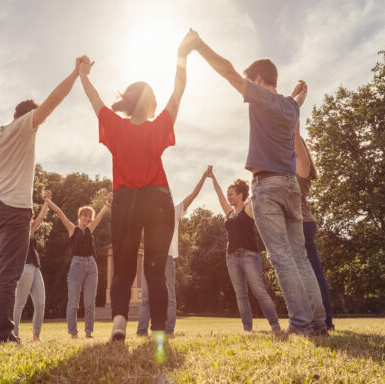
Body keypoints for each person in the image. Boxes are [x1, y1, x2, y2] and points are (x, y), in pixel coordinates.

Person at [189, 30, 327, 335]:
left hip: (267, 186)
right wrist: (300, 90)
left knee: (281, 258)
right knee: (300, 257)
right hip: (291, 186)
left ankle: (302, 324)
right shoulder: (291, 106)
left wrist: (199, 45)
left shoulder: (261, 96)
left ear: (261, 81)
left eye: (251, 81)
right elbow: (298, 97)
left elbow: (227, 70)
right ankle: (318, 322)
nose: (247, 86)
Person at [77, 32, 196, 341]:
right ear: (152, 103)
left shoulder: (115, 127)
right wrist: (181, 54)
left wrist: (82, 75)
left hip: (126, 199)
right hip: (157, 199)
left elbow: (94, 100)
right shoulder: (158, 127)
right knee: (155, 270)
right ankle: (158, 333)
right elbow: (179, 90)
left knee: (124, 268)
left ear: (128, 104)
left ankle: (119, 322)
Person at [0, 58, 86, 345]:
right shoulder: (26, 126)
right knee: (8, 272)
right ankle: (4, 335)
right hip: (14, 210)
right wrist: (75, 73)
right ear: (31, 116)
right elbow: (53, 100)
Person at [137, 167, 210, 336]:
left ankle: (168, 330)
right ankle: (141, 331)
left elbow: (193, 195)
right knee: (146, 297)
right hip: (150, 258)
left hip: (167, 258)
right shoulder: (147, 216)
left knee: (169, 297)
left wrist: (203, 177)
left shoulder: (174, 211)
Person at [208, 169, 281, 332]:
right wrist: (213, 178)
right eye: (228, 194)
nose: (228, 197)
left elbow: (259, 194)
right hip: (231, 258)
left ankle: (275, 326)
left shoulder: (249, 208)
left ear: (240, 195)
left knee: (259, 292)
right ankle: (247, 328)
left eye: (231, 194)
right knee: (240, 295)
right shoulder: (229, 212)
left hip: (249, 256)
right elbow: (219, 195)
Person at [46, 193, 112, 338]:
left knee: (90, 303)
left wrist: (107, 203)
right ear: (79, 216)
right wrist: (48, 201)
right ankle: (73, 333)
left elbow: (100, 216)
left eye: (89, 217)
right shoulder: (72, 229)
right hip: (77, 266)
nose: (87, 219)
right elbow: (60, 213)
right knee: (73, 303)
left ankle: (88, 333)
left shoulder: (90, 229)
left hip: (91, 266)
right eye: (85, 216)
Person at [295, 122, 334, 330]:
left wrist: (294, 128)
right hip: (303, 223)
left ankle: (325, 319)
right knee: (309, 272)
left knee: (312, 272)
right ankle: (319, 318)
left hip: (302, 223)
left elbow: (296, 141)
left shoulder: (301, 169)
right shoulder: (297, 168)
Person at [13, 190, 52, 341]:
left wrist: (47, 201)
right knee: (20, 303)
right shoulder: (18, 232)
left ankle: (36, 335)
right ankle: (14, 334)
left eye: (31, 216)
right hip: (24, 267)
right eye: (28, 216)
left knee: (40, 303)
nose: (31, 218)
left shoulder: (30, 230)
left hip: (36, 269)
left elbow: (41, 217)